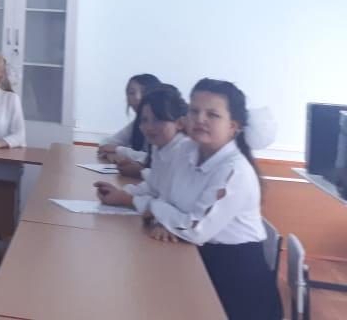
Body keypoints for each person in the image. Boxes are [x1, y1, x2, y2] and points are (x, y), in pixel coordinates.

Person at [94, 79, 282, 320]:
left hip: (235, 285)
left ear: (233, 126)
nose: (200, 119)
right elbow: (164, 195)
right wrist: (166, 220)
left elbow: (195, 229)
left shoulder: (234, 171)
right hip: (194, 259)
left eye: (212, 114)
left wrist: (158, 211)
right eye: (194, 111)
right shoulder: (186, 151)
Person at [112, 83, 189, 180]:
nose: (149, 127)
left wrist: (140, 171)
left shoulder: (183, 151)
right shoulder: (158, 147)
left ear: (179, 123)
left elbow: (164, 180)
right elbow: (152, 186)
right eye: (144, 120)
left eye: (158, 119)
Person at [98, 73, 162, 163]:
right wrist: (111, 154)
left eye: (143, 92)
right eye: (131, 93)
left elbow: (154, 158)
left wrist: (117, 150)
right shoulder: (137, 123)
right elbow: (105, 143)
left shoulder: (164, 123)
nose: (137, 97)